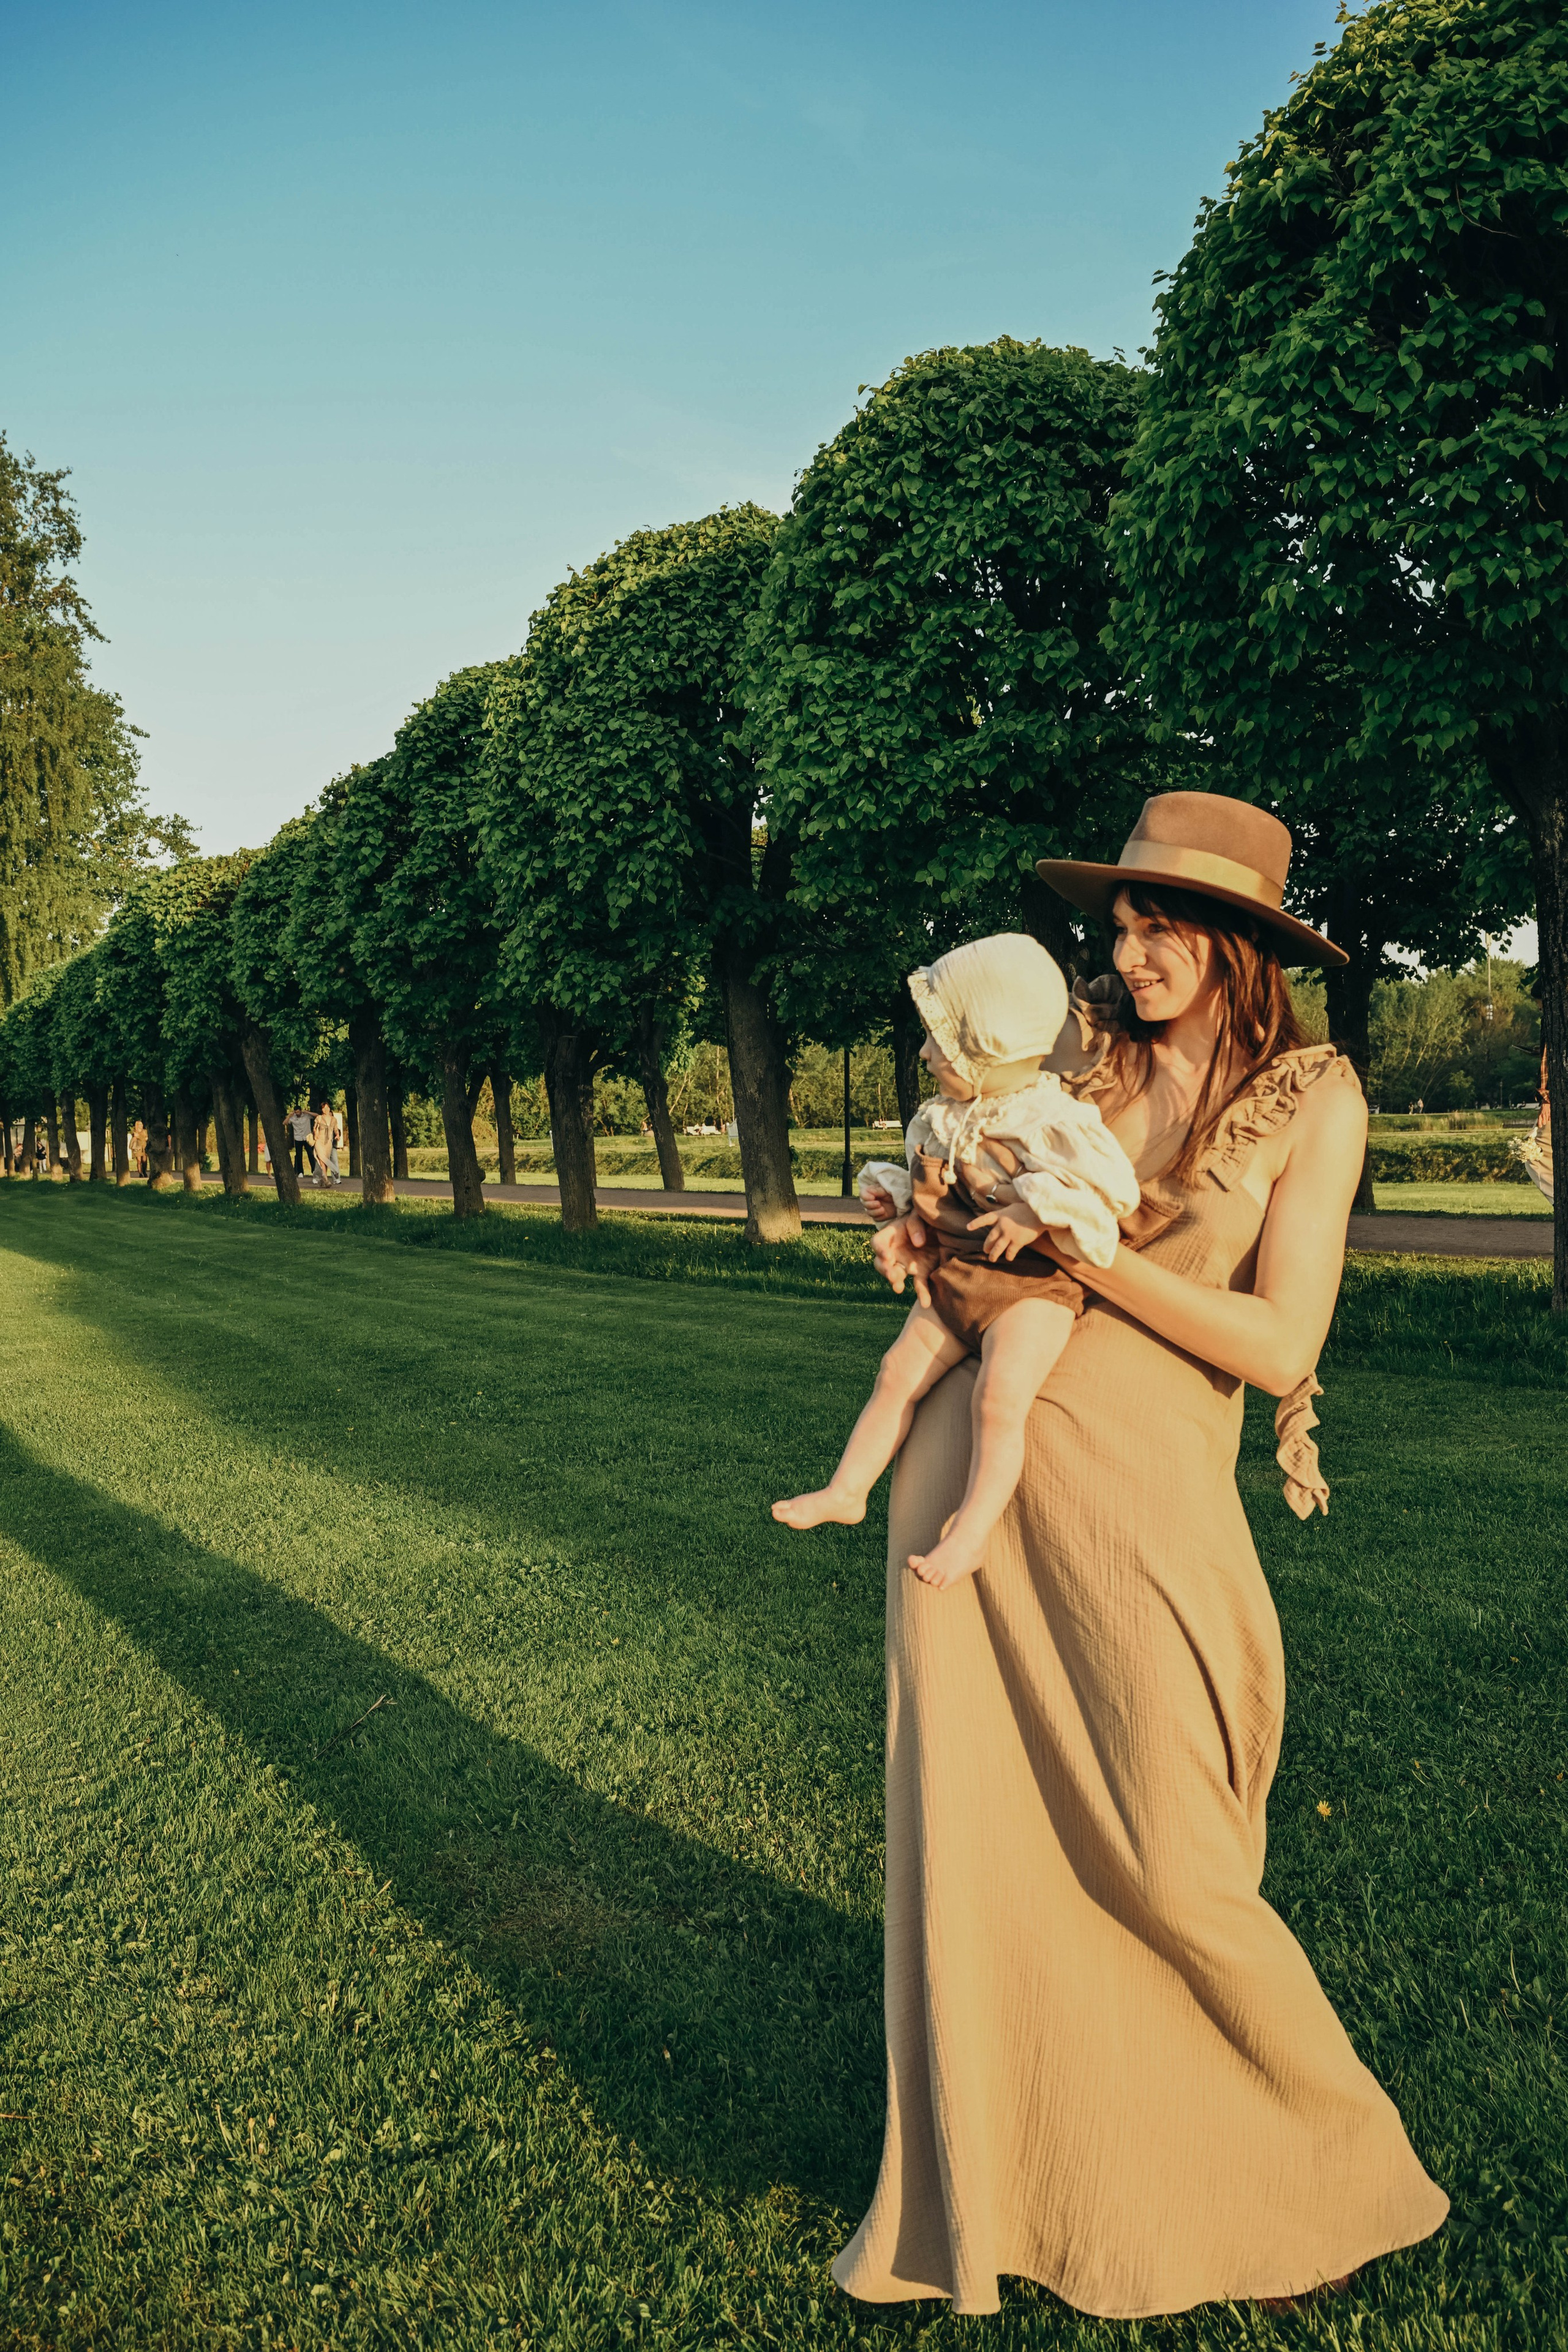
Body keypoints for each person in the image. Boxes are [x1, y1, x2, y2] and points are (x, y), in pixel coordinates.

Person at [832, 792, 1447, 2319]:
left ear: (1238, 937)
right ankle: (1028, 2191)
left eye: (1159, 921)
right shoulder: (1072, 1060)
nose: (1129, 947)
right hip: (972, 1489)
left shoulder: (1312, 1099)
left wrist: (1098, 1259)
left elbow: (1277, 1335)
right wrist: (928, 1232)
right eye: (1117, 921)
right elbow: (985, 1206)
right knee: (985, 1854)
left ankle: (1325, 2166)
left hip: (1147, 1510)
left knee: (1176, 1853)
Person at [772, 935, 1139, 1586]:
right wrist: (903, 1208)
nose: (924, 1053)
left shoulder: (1052, 1116)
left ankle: (971, 1532)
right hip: (958, 1279)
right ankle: (847, 1490)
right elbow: (933, 1189)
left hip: (1031, 1292)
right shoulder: (943, 1116)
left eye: (940, 1041)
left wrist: (1035, 1209)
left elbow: (1112, 1190)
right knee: (895, 1373)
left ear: (988, 1042)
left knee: (998, 1401)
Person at [311, 1098, 337, 1189]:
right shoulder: (319, 1118)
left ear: (329, 1108)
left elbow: (336, 1130)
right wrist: (315, 1133)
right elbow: (314, 1128)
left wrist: (337, 1135)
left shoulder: (333, 1119)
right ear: (321, 1110)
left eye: (327, 1108)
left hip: (328, 1143)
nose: (326, 1109)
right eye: (324, 1108)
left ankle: (323, 1179)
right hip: (319, 1141)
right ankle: (327, 1177)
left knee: (325, 1161)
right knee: (322, 1158)